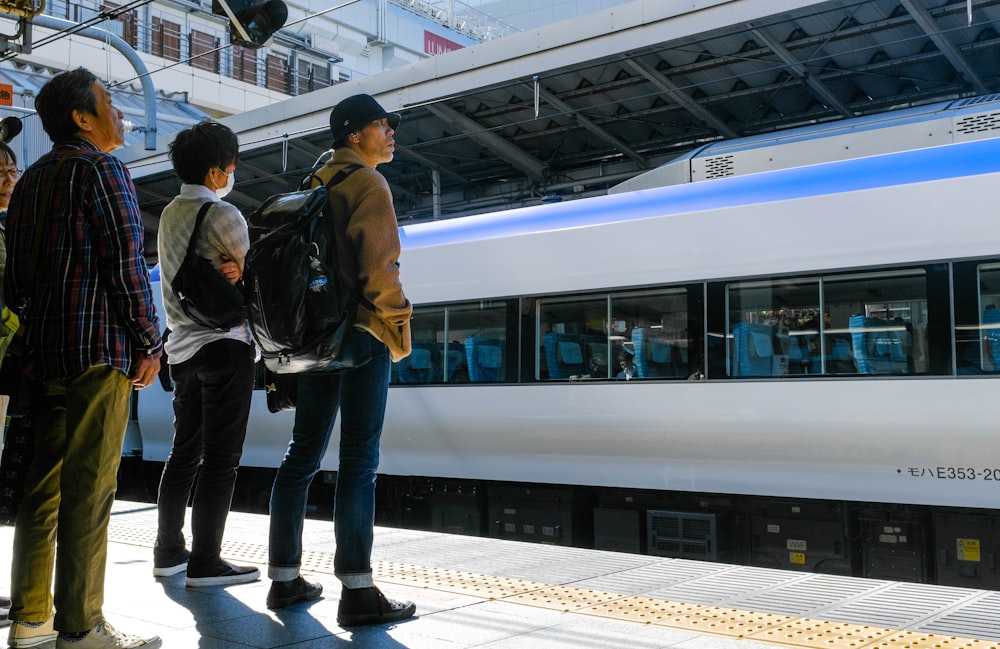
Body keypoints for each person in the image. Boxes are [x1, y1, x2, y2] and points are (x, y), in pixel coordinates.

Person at [4, 68, 163, 649]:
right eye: (110, 102)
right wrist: (150, 342)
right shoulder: (102, 169)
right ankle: (83, 625)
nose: (120, 112)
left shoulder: (30, 182)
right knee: (91, 491)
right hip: (98, 353)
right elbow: (126, 265)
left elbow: (16, 281)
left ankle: (30, 619)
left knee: (40, 490)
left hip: (43, 355)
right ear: (82, 118)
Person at [266, 94, 415, 626]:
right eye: (383, 124)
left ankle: (284, 581)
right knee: (358, 460)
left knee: (300, 455)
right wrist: (397, 325)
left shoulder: (314, 182)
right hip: (361, 335)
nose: (391, 131)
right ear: (355, 134)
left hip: (314, 341)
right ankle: (358, 592)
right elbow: (381, 269)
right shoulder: (368, 183)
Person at [152, 121, 259, 587]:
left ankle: (169, 551)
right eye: (231, 165)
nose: (233, 173)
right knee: (221, 459)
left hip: (181, 350)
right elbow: (257, 277)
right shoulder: (224, 215)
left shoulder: (170, 214)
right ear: (217, 171)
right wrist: (240, 274)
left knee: (183, 453)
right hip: (224, 345)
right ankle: (207, 562)